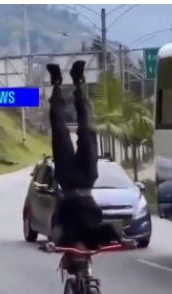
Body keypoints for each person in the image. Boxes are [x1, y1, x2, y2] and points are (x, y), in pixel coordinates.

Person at [45, 60, 125, 258]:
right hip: (87, 177)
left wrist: (51, 244)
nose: (80, 250)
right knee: (88, 131)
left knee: (60, 131)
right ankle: (78, 83)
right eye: (83, 251)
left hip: (67, 181)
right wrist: (123, 239)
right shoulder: (94, 237)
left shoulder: (66, 236)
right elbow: (111, 229)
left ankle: (56, 85)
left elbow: (54, 234)